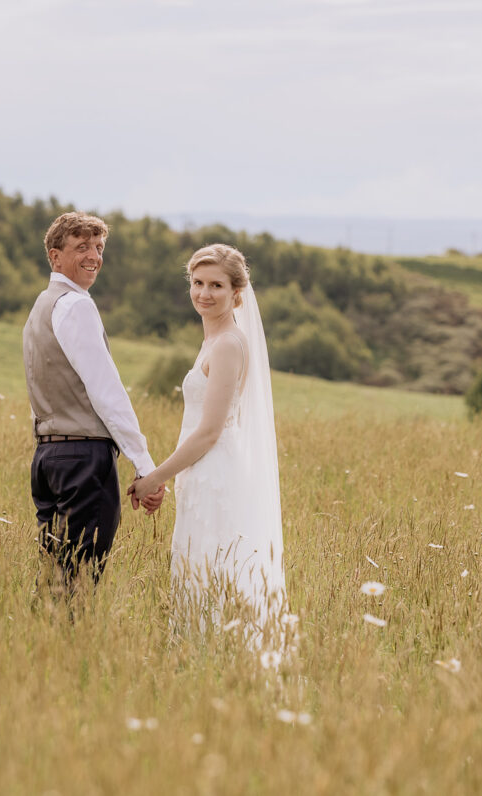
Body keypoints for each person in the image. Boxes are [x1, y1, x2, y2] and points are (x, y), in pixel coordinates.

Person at [130, 244, 287, 647]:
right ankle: (198, 660)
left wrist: (154, 477)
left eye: (216, 285)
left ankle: (220, 658)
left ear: (237, 292)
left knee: (216, 573)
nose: (204, 293)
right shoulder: (212, 340)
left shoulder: (229, 345)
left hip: (218, 472)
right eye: (198, 283)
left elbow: (210, 431)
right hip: (200, 471)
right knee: (196, 571)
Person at [22, 212, 164, 598]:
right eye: (81, 247)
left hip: (47, 459)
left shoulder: (40, 307)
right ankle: (70, 652)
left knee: (54, 580)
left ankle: (43, 652)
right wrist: (145, 465)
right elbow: (107, 392)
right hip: (83, 460)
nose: (94, 256)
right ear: (55, 257)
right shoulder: (76, 306)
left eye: (99, 248)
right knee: (80, 581)